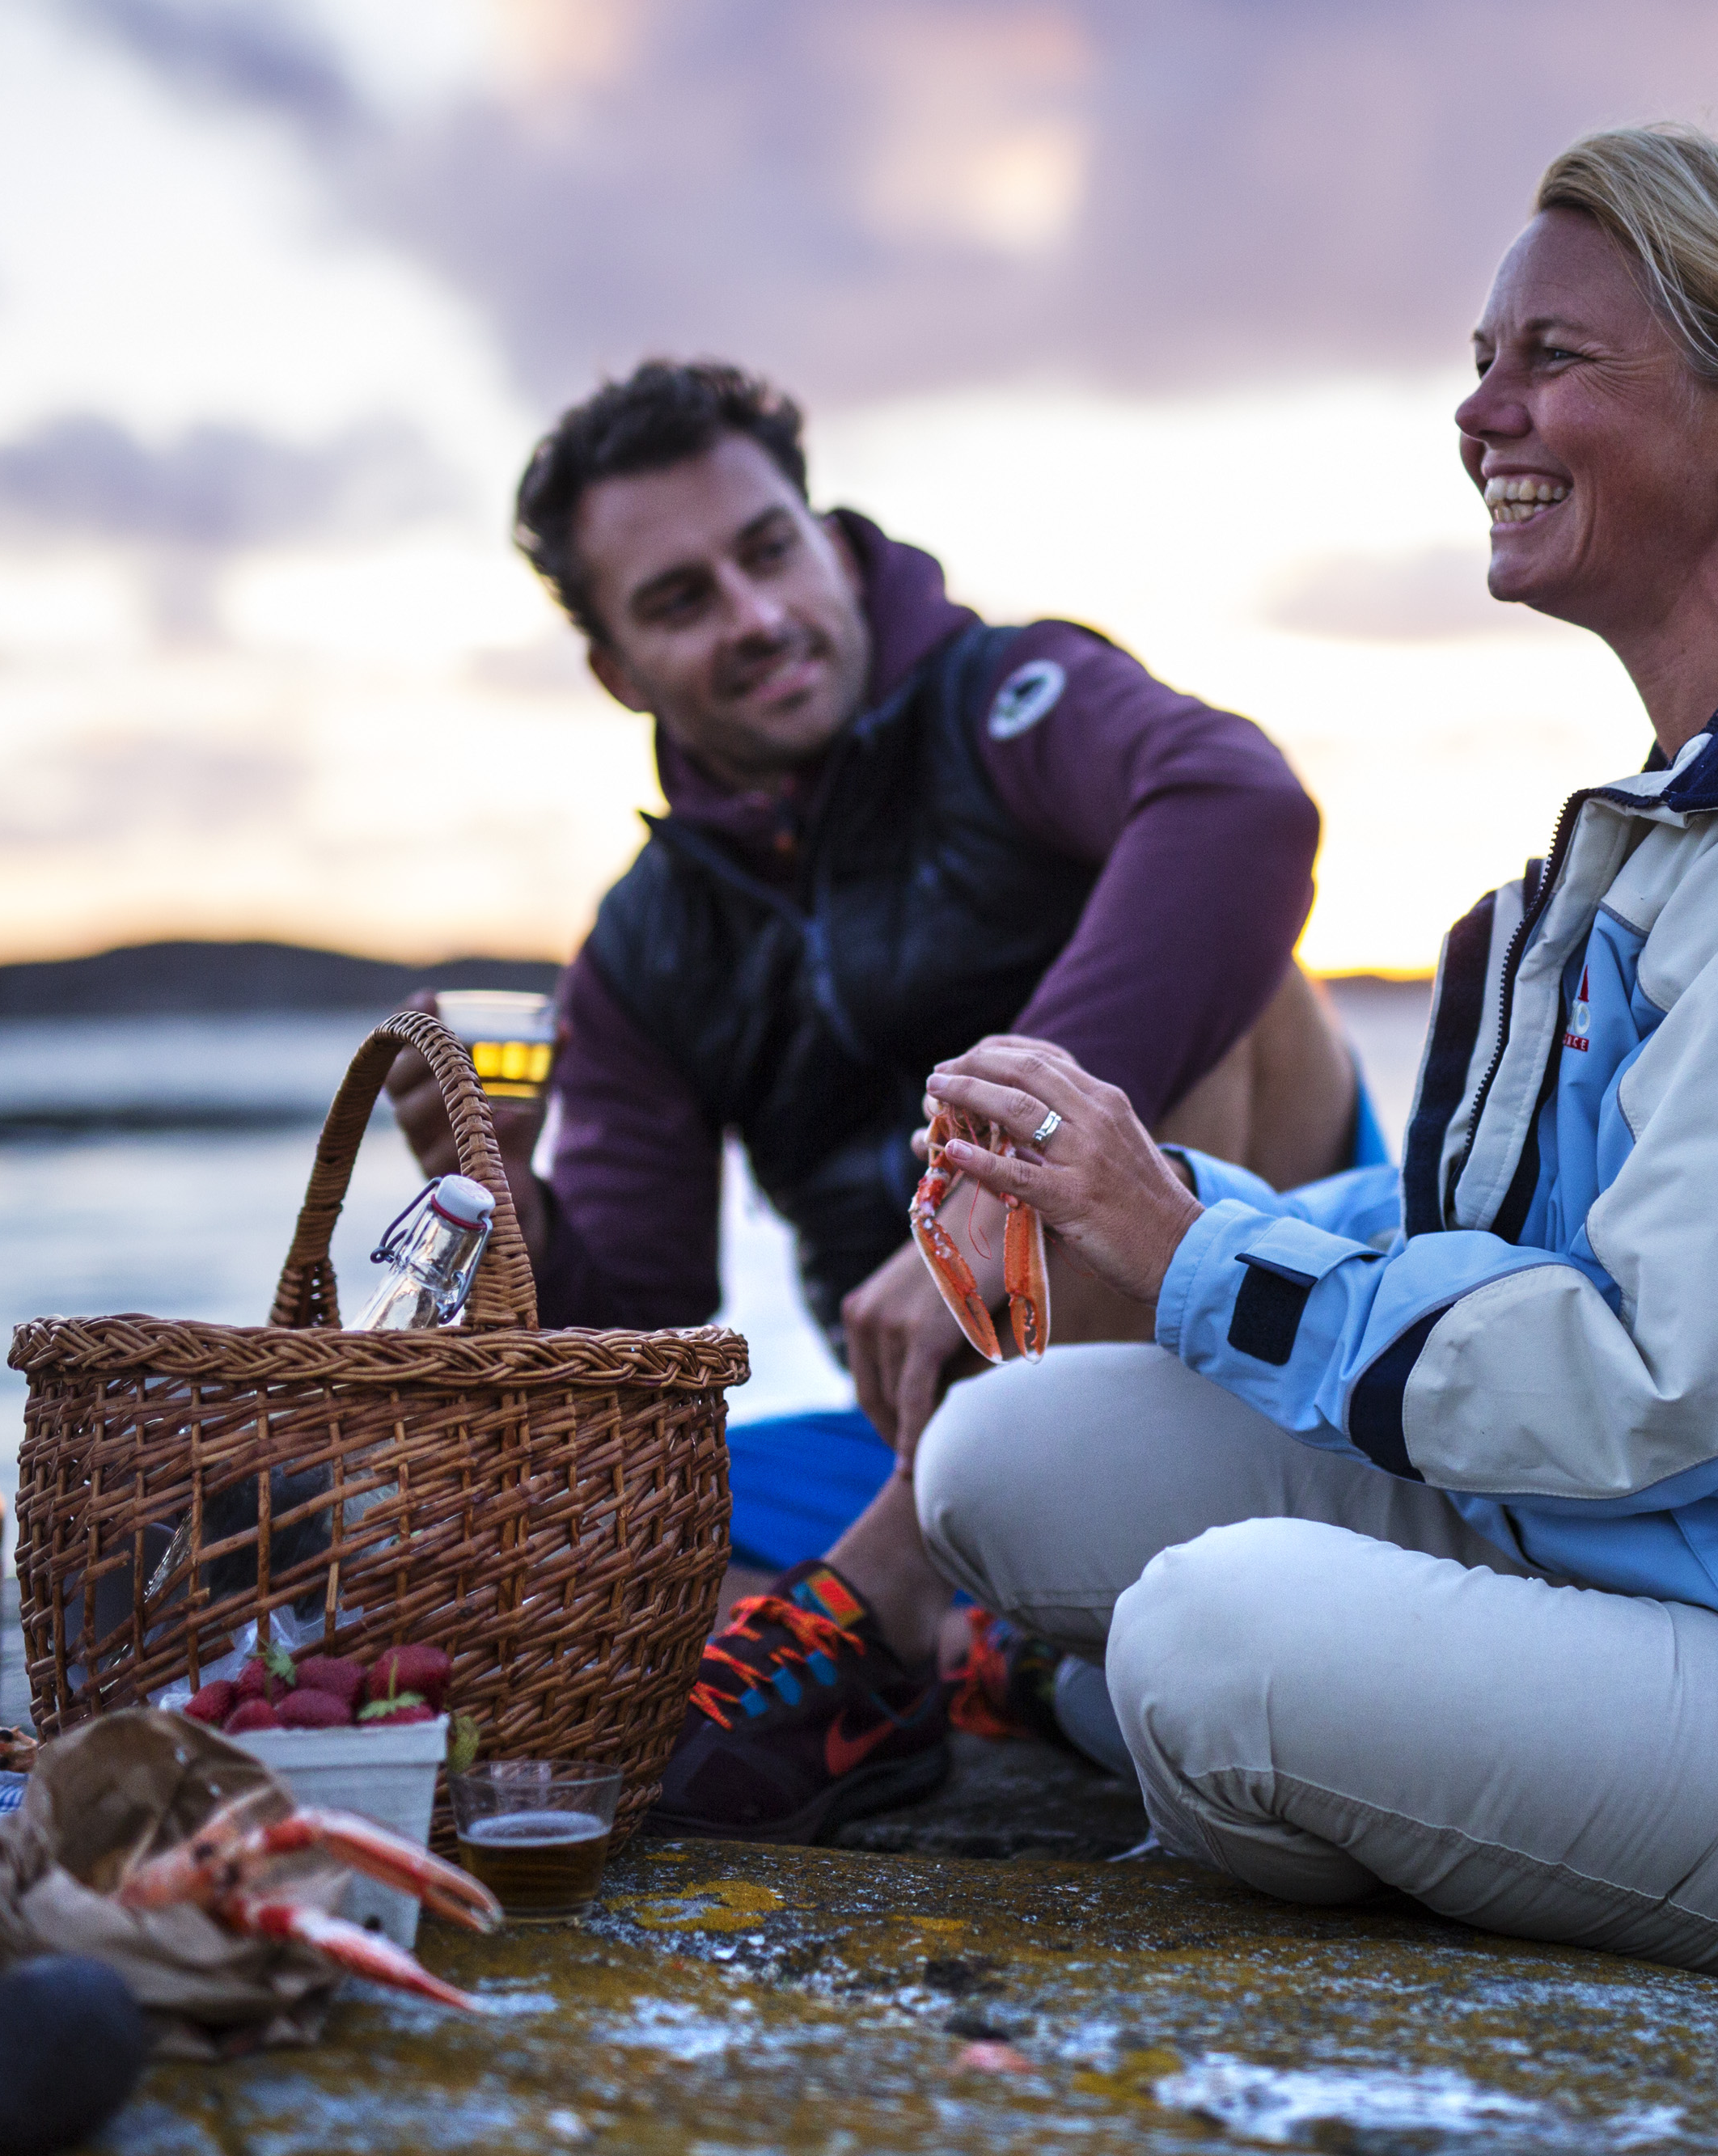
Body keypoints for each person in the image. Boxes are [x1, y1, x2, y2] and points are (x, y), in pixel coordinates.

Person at [908, 124, 1718, 1976]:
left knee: (1208, 1644)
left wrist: (1203, 1259)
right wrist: (1136, 1202)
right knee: (1004, 1454)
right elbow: (1510, 1218)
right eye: (1476, 362)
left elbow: (1647, 1375)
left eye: (1548, 358)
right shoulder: (1704, 810)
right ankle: (1266, 1745)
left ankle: (1171, 1742)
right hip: (1631, 1554)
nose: (1478, 412)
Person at [392, 360, 1364, 1841]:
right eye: (679, 599)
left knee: (1234, 971)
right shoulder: (648, 944)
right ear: (617, 669)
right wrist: (505, 1198)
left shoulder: (1006, 701)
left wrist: (1001, 1164)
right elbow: (643, 1345)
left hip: (1251, 1339)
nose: (756, 615)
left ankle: (892, 1604)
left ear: (830, 536)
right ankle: (973, 1640)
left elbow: (1244, 808)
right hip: (912, 1419)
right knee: (517, 1534)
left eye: (767, 549)